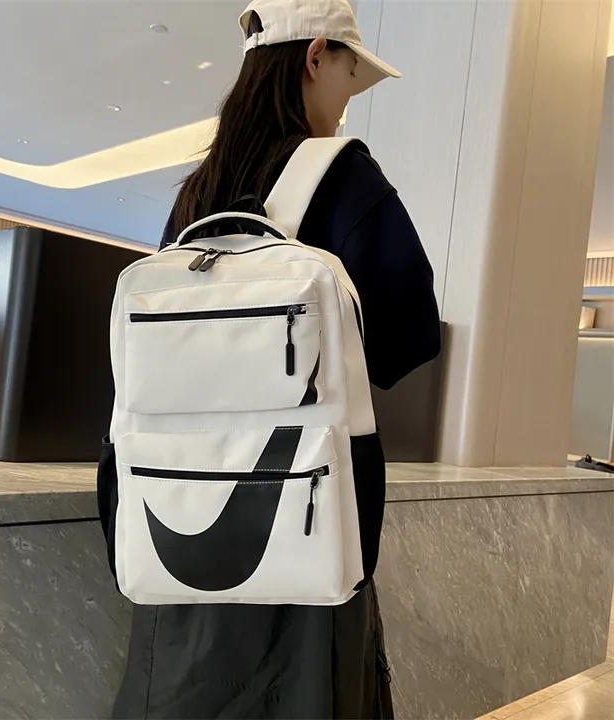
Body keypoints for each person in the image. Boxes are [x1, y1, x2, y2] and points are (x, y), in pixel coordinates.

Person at [113, 1, 440, 717]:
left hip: (176, 533)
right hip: (302, 534)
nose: (345, 104)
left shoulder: (197, 193)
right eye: (349, 78)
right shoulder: (345, 177)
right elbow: (412, 335)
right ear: (317, 56)